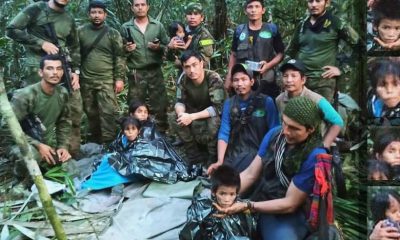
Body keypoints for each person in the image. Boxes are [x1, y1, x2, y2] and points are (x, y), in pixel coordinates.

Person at [214, 97, 327, 239]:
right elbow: (250, 174)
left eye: (294, 128)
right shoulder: (275, 135)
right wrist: (224, 194)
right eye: (285, 123)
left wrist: (248, 205)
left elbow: (290, 203)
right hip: (264, 196)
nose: (285, 131)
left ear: (310, 129)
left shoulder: (314, 156)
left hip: (290, 212)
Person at [6, 0, 82, 157]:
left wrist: (75, 70)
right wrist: (40, 43)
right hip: (37, 70)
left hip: (62, 69)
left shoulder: (68, 17)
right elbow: (12, 29)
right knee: (35, 114)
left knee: (72, 109)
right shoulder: (36, 9)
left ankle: (68, 152)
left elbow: (74, 45)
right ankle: (36, 154)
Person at [207, 63, 279, 174]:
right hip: (235, 152)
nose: (239, 84)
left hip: (258, 153)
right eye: (235, 80)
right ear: (231, 83)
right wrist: (220, 160)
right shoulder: (229, 103)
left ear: (252, 81)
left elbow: (274, 131)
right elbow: (224, 132)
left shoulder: (266, 102)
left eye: (244, 79)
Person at [10, 55, 72, 178]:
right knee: (32, 157)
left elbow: (64, 122)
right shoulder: (25, 96)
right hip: (18, 141)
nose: (55, 73)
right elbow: (7, 128)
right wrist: (37, 145)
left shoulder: (62, 93)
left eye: (59, 69)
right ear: (40, 72)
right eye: (50, 68)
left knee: (69, 168)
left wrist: (62, 147)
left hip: (45, 141)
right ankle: (22, 181)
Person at [285, 0, 359, 102]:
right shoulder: (302, 25)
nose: (314, 5)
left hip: (323, 82)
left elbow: (360, 47)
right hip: (300, 82)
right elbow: (290, 51)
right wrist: (288, 74)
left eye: (318, 1)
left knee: (321, 116)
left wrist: (342, 69)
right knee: (297, 115)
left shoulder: (337, 23)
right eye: (310, 1)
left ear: (327, 3)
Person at [78, 0, 125, 145]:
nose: (96, 15)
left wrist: (119, 78)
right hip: (86, 80)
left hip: (106, 80)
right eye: (93, 12)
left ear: (105, 15)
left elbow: (119, 57)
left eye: (99, 12)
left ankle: (109, 143)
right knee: (91, 113)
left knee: (108, 113)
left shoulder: (112, 33)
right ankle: (95, 140)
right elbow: (74, 54)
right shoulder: (81, 32)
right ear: (89, 14)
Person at [169, 50, 225, 167]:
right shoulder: (183, 79)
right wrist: (181, 115)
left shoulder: (213, 78)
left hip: (210, 113)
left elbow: (218, 108)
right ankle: (193, 154)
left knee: (214, 122)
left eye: (194, 65)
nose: (191, 70)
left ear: (201, 63)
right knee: (173, 117)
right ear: (183, 68)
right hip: (193, 111)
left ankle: (212, 156)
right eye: (187, 67)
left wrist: (191, 117)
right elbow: (179, 102)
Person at [121, 0, 169, 132]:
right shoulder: (126, 27)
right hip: (137, 72)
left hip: (155, 70)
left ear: (148, 7)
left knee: (160, 102)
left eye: (143, 5)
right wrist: (126, 48)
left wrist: (159, 47)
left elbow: (168, 47)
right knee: (135, 102)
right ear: (132, 8)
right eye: (137, 5)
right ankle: (137, 132)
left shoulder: (157, 26)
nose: (140, 8)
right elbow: (120, 51)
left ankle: (160, 133)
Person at [276, 59, 344, 148]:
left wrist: (325, 145)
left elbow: (338, 122)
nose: (289, 80)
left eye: (293, 76)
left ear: (303, 80)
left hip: (313, 145)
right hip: (290, 143)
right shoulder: (279, 99)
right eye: (285, 76)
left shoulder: (316, 100)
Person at [224, 0, 284, 98]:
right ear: (245, 10)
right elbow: (234, 54)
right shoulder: (240, 30)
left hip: (265, 78)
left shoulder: (272, 29)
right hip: (243, 80)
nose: (253, 10)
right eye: (250, 7)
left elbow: (280, 54)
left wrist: (268, 65)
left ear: (263, 10)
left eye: (257, 7)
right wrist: (229, 76)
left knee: (265, 106)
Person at [179, 165, 257, 239]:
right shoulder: (203, 210)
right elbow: (190, 233)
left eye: (232, 194)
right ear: (214, 192)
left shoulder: (243, 208)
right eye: (222, 194)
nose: (227, 199)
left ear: (237, 193)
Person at [81, 116, 142, 194]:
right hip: (119, 165)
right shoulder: (121, 140)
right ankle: (96, 182)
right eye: (127, 129)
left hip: (132, 170)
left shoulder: (143, 143)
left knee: (113, 173)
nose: (130, 132)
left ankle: (108, 183)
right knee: (107, 160)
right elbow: (112, 150)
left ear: (138, 131)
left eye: (133, 129)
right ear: (123, 131)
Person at [168, 2, 214, 67]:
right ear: (185, 17)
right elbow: (168, 57)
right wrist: (170, 48)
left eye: (196, 14)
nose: (192, 17)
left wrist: (180, 62)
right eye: (189, 14)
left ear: (202, 17)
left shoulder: (205, 36)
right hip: (182, 73)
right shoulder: (179, 31)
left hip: (197, 73)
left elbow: (204, 61)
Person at [367, 59, 400, 126]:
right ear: (375, 88)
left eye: (395, 84)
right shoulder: (372, 106)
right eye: (382, 85)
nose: (389, 90)